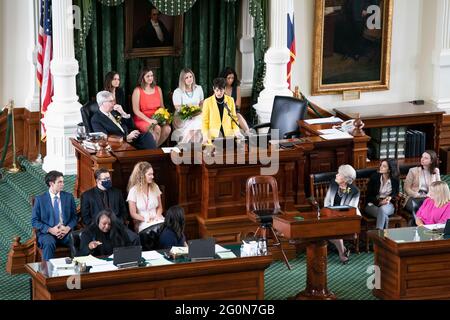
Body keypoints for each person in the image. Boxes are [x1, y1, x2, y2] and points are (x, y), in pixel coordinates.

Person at [80, 168, 140, 245]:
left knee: (135, 238)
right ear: (98, 180)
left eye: (109, 178)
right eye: (105, 179)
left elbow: (124, 212)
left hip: (117, 226)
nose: (108, 180)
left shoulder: (117, 192)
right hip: (98, 228)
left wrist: (118, 223)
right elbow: (86, 218)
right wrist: (100, 226)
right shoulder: (87, 196)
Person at [31, 171, 78, 260]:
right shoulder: (40, 200)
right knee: (49, 243)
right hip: (47, 233)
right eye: (60, 182)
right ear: (51, 183)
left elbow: (74, 217)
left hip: (65, 231)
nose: (63, 184)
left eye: (63, 182)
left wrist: (67, 228)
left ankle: (80, 268)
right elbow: (34, 221)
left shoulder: (68, 197)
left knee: (78, 239)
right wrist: (50, 230)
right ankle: (46, 272)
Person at [91, 90, 157, 150]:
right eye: (111, 101)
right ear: (103, 103)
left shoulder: (114, 112)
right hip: (120, 144)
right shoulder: (96, 119)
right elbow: (105, 138)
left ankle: (156, 159)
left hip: (131, 138)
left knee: (148, 136)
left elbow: (132, 126)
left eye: (113, 100)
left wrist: (123, 113)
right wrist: (126, 138)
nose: (114, 103)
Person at [324, 164, 360, 264]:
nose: (336, 175)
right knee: (326, 228)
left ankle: (342, 252)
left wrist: (337, 215)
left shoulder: (354, 191)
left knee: (333, 229)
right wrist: (330, 213)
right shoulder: (333, 184)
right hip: (331, 216)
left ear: (345, 179)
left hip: (347, 219)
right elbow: (327, 202)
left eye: (339, 174)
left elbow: (351, 209)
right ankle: (342, 250)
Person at [132, 67, 171, 147]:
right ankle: (154, 152)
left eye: (151, 75)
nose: (150, 78)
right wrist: (149, 120)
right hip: (142, 119)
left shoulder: (158, 89)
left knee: (168, 129)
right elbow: (136, 110)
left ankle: (153, 150)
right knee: (157, 128)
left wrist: (165, 117)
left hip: (156, 118)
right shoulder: (137, 90)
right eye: (148, 76)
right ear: (142, 77)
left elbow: (162, 106)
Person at [202, 77, 244, 144]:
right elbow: (205, 122)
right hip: (213, 136)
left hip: (228, 135)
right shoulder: (207, 102)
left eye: (221, 90)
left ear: (224, 89)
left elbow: (234, 119)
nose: (219, 93)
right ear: (213, 89)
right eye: (217, 90)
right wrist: (205, 135)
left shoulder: (230, 100)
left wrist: (237, 132)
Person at [403, 150, 441, 225]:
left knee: (430, 205)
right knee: (420, 206)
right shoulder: (413, 171)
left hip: (428, 198)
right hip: (413, 198)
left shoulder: (435, 171)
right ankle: (421, 226)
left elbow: (439, 187)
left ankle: (417, 225)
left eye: (426, 158)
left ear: (431, 161)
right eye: (422, 157)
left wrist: (431, 195)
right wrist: (416, 195)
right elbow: (406, 188)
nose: (422, 159)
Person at [127, 162, 164, 234]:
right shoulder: (133, 191)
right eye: (149, 174)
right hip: (143, 221)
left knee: (167, 232)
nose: (152, 176)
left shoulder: (155, 186)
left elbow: (160, 207)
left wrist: (157, 216)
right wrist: (145, 219)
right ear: (141, 175)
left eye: (152, 174)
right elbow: (133, 213)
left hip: (157, 219)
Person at [365, 159, 400, 229]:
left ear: (390, 169)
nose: (381, 167)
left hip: (388, 205)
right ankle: (381, 235)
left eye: (384, 166)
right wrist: (379, 202)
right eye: (381, 165)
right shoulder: (374, 177)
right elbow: (368, 196)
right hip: (372, 204)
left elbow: (395, 193)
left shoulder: (395, 180)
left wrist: (390, 197)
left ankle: (379, 234)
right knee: (383, 213)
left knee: (382, 210)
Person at [172, 68, 204, 144]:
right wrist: (189, 114)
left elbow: (201, 104)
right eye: (186, 77)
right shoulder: (177, 92)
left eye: (191, 76)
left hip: (197, 114)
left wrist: (198, 112)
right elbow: (178, 109)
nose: (189, 79)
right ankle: (191, 146)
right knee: (196, 123)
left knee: (198, 121)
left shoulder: (199, 88)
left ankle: (186, 145)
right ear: (182, 80)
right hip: (182, 117)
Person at [219, 67, 250, 134]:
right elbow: (216, 103)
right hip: (222, 112)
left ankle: (248, 132)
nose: (231, 80)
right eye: (229, 78)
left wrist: (231, 109)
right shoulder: (219, 88)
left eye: (232, 78)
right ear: (224, 78)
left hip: (234, 111)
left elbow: (238, 105)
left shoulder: (237, 88)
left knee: (237, 115)